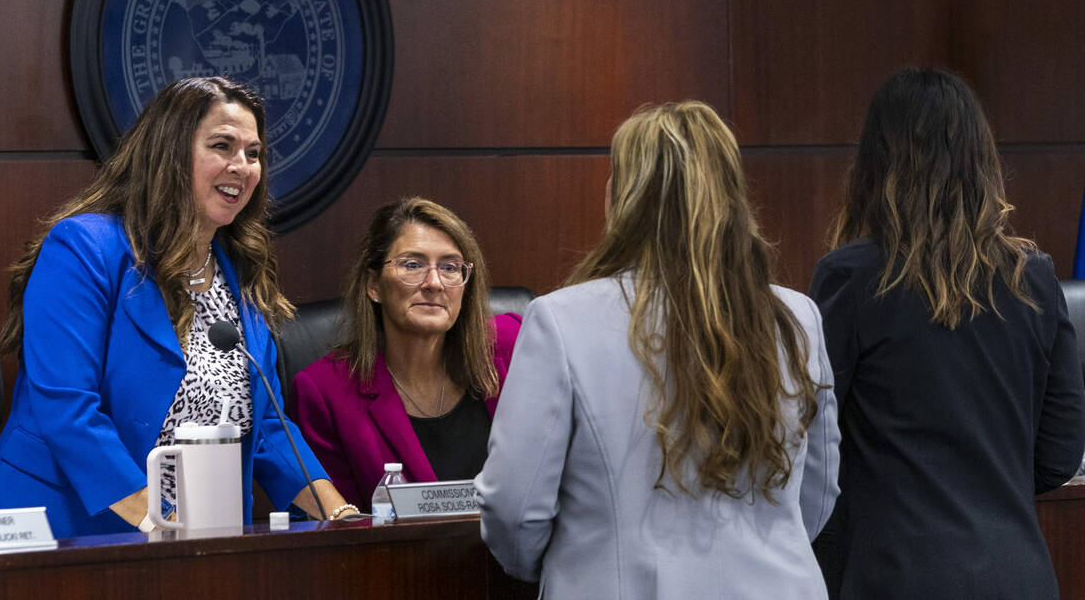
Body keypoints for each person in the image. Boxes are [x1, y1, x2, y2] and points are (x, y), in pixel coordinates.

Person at [476, 101, 840, 598]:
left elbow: (513, 508)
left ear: (626, 196)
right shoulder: (796, 316)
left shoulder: (562, 321)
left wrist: (580, 563)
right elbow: (816, 496)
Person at [0, 76, 353, 537]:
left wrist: (341, 515)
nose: (243, 166)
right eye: (222, 146)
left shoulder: (240, 269)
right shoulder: (84, 249)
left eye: (253, 154)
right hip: (63, 525)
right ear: (169, 153)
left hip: (188, 536)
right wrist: (162, 523)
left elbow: (268, 422)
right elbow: (68, 409)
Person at [809, 67, 1085, 598]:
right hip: (1020, 577)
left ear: (875, 163)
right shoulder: (1034, 278)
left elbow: (816, 448)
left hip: (894, 576)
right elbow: (1058, 455)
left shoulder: (850, 278)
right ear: (982, 162)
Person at [289, 197, 522, 510]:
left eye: (450, 267)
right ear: (374, 285)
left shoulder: (514, 344)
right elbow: (346, 531)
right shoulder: (325, 393)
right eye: (412, 265)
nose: (434, 283)